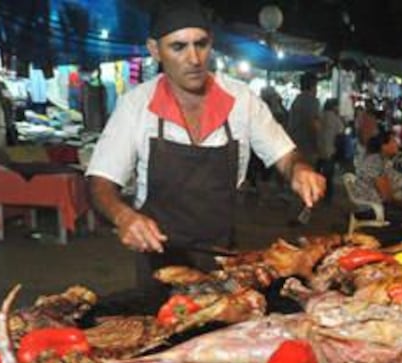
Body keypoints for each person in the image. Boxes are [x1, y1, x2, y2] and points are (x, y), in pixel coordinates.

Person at [85, 1, 325, 297]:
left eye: (201, 44)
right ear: (155, 50)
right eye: (178, 47)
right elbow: (100, 182)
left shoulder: (241, 101)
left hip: (224, 257)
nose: (194, 58)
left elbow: (285, 155)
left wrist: (299, 169)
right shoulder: (136, 106)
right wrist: (123, 216)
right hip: (158, 259)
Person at [351, 131, 402, 220]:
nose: (397, 145)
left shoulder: (379, 160)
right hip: (370, 209)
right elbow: (386, 195)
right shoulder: (375, 162)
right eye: (394, 141)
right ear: (384, 146)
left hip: (371, 206)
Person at [287, 72, 320, 166]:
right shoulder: (312, 101)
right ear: (312, 86)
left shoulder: (296, 100)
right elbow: (313, 125)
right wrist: (319, 145)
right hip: (307, 147)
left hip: (294, 144)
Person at [316, 98, 343, 203]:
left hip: (318, 149)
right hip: (330, 150)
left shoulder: (320, 115)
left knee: (317, 172)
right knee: (328, 176)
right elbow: (340, 132)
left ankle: (315, 193)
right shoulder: (335, 118)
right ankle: (327, 197)